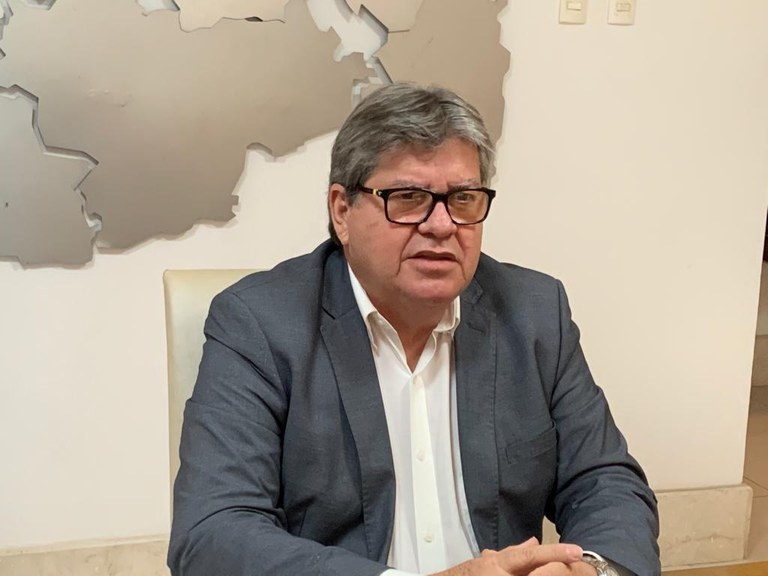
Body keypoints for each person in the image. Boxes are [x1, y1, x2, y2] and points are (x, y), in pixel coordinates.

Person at [168, 83, 660, 576]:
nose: (442, 225)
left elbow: (606, 482)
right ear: (341, 211)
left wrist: (591, 570)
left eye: (463, 198)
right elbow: (213, 533)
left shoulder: (533, 312)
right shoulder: (260, 324)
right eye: (408, 198)